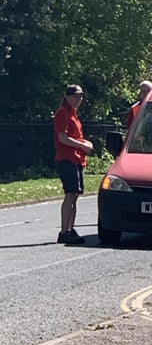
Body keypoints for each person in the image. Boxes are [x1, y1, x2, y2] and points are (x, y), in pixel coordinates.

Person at [53, 84, 93, 245]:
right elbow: (62, 137)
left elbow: (74, 136)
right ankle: (64, 231)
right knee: (70, 194)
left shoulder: (73, 114)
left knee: (75, 194)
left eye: (81, 96)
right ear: (68, 97)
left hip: (76, 158)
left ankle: (70, 228)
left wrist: (83, 143)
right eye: (75, 96)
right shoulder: (62, 113)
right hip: (67, 158)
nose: (79, 99)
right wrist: (82, 145)